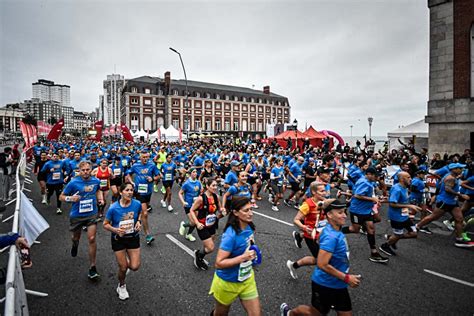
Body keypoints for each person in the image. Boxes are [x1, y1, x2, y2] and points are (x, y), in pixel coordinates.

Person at [280, 199, 361, 316]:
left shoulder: (333, 229)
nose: (344, 215)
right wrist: (347, 278)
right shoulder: (331, 236)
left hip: (338, 282)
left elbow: (319, 238)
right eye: (340, 212)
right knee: (314, 313)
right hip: (325, 284)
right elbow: (322, 264)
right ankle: (289, 313)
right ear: (329, 214)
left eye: (344, 212)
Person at [209, 196, 261, 316]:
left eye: (251, 209)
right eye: (246, 210)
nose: (251, 213)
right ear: (236, 212)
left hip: (247, 278)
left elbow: (248, 244)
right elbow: (219, 263)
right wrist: (243, 257)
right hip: (228, 283)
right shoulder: (230, 235)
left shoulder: (250, 226)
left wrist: (253, 254)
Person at [60, 160, 104, 279]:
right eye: (83, 170)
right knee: (76, 237)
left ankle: (92, 267)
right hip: (77, 215)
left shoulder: (95, 181)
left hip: (91, 214)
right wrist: (70, 198)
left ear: (91, 170)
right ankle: (75, 244)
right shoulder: (73, 182)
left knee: (92, 238)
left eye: (87, 170)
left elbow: (98, 190)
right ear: (79, 171)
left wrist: (100, 199)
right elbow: (61, 197)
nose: (85, 172)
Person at [416, 163, 473, 248]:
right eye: (460, 168)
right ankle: (416, 226)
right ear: (454, 169)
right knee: (433, 217)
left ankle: (459, 239)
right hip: (445, 201)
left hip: (452, 202)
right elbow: (447, 189)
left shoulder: (451, 177)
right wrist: (460, 195)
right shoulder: (450, 178)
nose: (462, 170)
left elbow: (441, 185)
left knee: (459, 219)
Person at [103, 182, 142, 300]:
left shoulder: (137, 204)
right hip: (118, 239)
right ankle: (121, 285)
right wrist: (115, 230)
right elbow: (105, 224)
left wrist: (139, 222)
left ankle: (126, 265)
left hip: (133, 237)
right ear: (121, 192)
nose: (130, 192)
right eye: (127, 190)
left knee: (134, 267)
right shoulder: (113, 208)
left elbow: (140, 213)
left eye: (131, 190)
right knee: (123, 268)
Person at [343, 167, 388, 263]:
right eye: (375, 176)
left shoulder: (370, 181)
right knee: (354, 229)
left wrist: (376, 198)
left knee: (371, 228)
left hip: (366, 210)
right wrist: (373, 200)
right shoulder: (364, 182)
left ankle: (374, 253)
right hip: (357, 210)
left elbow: (371, 193)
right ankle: (336, 230)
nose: (377, 178)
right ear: (369, 174)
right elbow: (357, 195)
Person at [287, 182, 328, 280]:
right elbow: (296, 220)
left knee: (322, 259)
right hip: (311, 236)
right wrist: (305, 228)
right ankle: (293, 265)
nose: (324, 193)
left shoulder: (326, 202)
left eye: (325, 190)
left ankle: (294, 265)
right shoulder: (307, 204)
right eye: (322, 191)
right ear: (314, 192)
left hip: (324, 235)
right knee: (319, 260)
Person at [379, 172, 420, 256]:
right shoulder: (397, 189)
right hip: (396, 217)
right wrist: (409, 206)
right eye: (408, 177)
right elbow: (392, 204)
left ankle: (393, 238)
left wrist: (409, 208)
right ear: (402, 179)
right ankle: (385, 246)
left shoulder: (404, 187)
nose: (411, 179)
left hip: (404, 216)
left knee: (414, 233)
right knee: (399, 234)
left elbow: (394, 200)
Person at [125, 151, 160, 245]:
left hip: (148, 192)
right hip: (139, 192)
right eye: (143, 157)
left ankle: (136, 216)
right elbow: (128, 174)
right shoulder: (136, 165)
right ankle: (148, 235)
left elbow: (159, 176)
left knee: (144, 209)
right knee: (145, 213)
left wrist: (153, 179)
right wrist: (132, 183)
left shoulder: (152, 165)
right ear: (140, 157)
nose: (145, 159)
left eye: (147, 157)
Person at [189, 177, 223, 270]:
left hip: (212, 224)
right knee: (211, 248)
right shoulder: (201, 199)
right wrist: (197, 223)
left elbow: (220, 209)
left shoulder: (216, 197)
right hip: (202, 225)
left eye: (216, 185)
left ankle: (200, 257)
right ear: (207, 186)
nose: (215, 187)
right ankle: (198, 255)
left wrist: (223, 211)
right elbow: (191, 210)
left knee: (208, 245)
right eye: (213, 185)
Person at [178, 168, 202, 242]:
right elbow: (180, 193)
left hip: (196, 205)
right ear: (190, 173)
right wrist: (183, 202)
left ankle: (189, 234)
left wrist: (200, 194)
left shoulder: (198, 182)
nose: (195, 173)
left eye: (196, 172)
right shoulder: (187, 183)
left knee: (195, 222)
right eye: (193, 172)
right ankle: (184, 225)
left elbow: (200, 192)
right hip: (188, 205)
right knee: (194, 222)